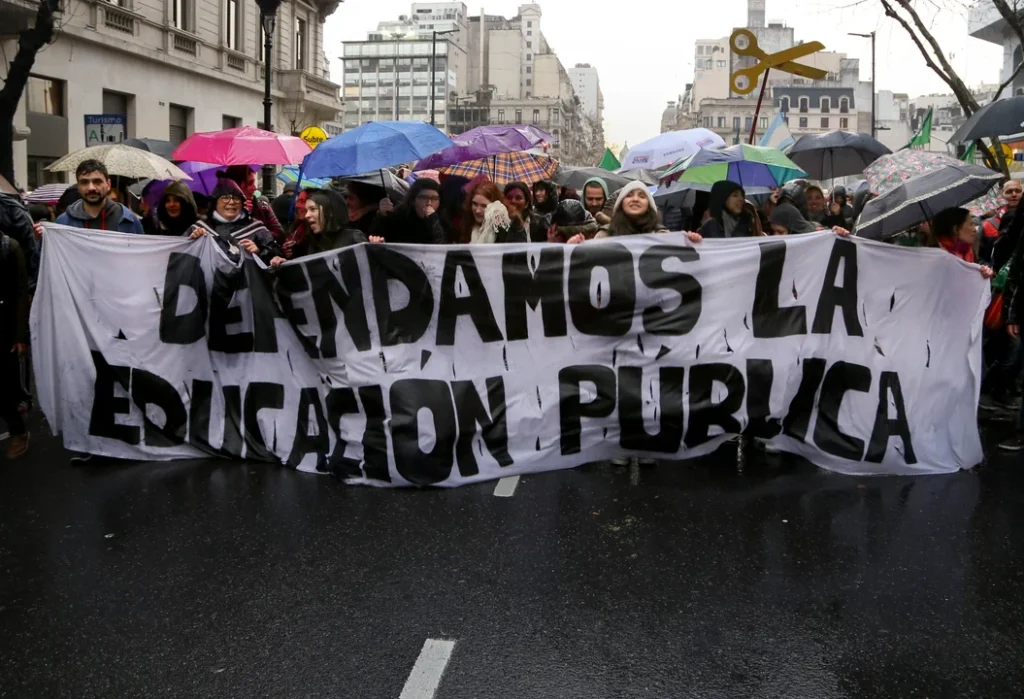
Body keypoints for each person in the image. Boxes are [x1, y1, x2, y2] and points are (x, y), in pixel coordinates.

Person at [188, 178, 280, 265]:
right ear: (215, 203)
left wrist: (259, 251)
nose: (231, 202)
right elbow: (183, 259)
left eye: (236, 198)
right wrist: (192, 242)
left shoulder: (257, 229)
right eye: (225, 198)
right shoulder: (199, 229)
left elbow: (277, 256)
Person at [270, 189, 371, 267]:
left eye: (313, 209)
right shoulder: (313, 243)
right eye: (307, 210)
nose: (307, 215)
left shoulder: (353, 238)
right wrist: (285, 264)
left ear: (330, 212)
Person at [48, 161, 144, 234]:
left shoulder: (129, 220)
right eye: (84, 182)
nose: (91, 188)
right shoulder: (63, 222)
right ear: (78, 186)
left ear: (108, 184)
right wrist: (42, 239)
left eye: (97, 181)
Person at [1, 231, 30, 458]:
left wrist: (20, 335)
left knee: (5, 388)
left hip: (4, 325)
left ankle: (18, 431)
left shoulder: (9, 247)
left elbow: (21, 293)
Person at [596, 180, 704, 242]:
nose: (635, 199)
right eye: (629, 196)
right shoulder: (605, 234)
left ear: (649, 205)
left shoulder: (662, 235)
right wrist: (578, 246)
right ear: (620, 204)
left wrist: (691, 243)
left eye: (642, 196)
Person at [220, 165, 285, 243]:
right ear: (236, 186)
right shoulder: (220, 211)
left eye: (253, 182)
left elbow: (280, 234)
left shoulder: (262, 204)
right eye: (250, 183)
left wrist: (258, 238)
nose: (255, 188)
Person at [373, 178, 447, 245]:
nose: (429, 203)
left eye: (435, 199)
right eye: (423, 198)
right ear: (413, 200)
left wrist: (434, 220)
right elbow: (376, 237)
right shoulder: (399, 214)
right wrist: (382, 215)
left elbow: (442, 246)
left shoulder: (441, 219)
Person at [460, 181, 527, 244]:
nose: (478, 210)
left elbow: (518, 252)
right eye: (475, 204)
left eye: (484, 206)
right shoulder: (468, 222)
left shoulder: (512, 224)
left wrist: (500, 229)